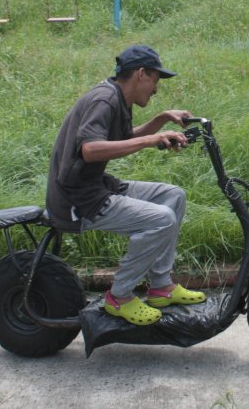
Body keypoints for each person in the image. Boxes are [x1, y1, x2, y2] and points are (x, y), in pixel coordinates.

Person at [46, 44, 206, 326]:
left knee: (174, 197)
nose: (156, 90)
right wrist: (149, 141)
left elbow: (121, 136)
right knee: (161, 219)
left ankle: (160, 287)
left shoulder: (117, 98)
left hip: (96, 186)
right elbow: (91, 149)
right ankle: (119, 297)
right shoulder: (104, 100)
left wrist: (162, 119)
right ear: (141, 74)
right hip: (77, 200)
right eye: (156, 81)